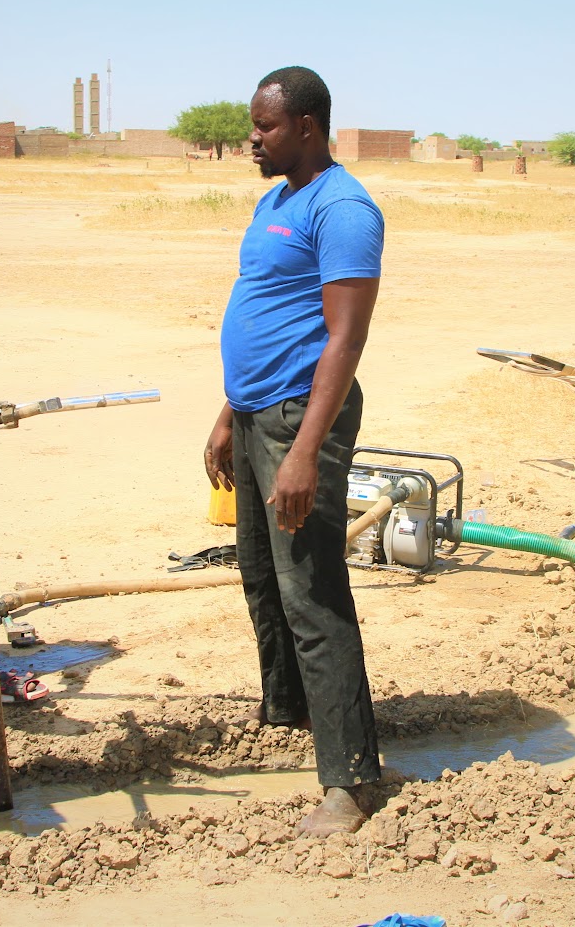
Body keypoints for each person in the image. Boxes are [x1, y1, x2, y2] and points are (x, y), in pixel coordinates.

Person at [202, 66, 384, 837]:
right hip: (253, 418)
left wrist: (305, 449)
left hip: (297, 423)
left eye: (265, 126)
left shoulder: (344, 209)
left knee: (310, 590)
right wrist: (225, 415)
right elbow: (266, 309)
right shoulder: (274, 200)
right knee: (261, 578)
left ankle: (350, 781)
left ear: (306, 126)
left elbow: (345, 338)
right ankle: (295, 719)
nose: (252, 138)